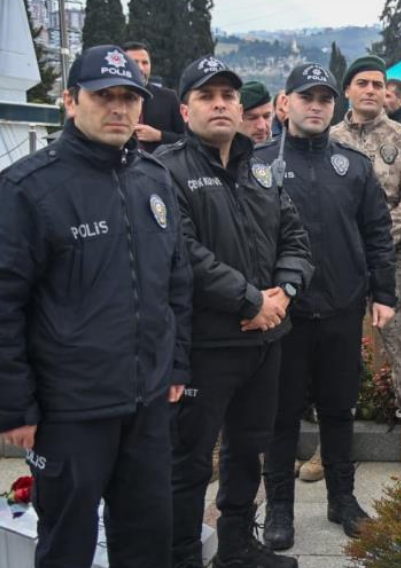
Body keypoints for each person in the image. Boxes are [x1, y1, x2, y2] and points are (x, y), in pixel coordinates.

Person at [0, 45, 191, 568]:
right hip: (69, 410)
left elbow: (176, 283)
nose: (119, 108)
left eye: (129, 98)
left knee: (148, 537)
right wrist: (11, 406)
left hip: (146, 404)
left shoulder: (155, 180)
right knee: (68, 544)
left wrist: (177, 364)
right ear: (71, 101)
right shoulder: (28, 188)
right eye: (104, 96)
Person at [155, 55, 313, 568]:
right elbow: (182, 251)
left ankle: (238, 545)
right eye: (207, 96)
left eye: (228, 95)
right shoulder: (165, 171)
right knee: (191, 460)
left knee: (250, 448)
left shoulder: (261, 167)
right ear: (185, 110)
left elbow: (295, 238)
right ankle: (182, 555)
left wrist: (283, 294)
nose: (221, 104)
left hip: (265, 341)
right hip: (207, 344)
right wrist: (252, 301)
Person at [258, 62, 397, 551]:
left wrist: (384, 294)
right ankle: (278, 508)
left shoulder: (353, 165)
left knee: (340, 410)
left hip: (340, 308)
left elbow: (377, 234)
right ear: (286, 103)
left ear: (333, 106)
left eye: (323, 98)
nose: (315, 106)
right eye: (305, 97)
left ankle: (343, 499)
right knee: (280, 415)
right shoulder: (257, 165)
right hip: (282, 316)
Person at [331, 55, 401, 476]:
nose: (371, 90)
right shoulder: (328, 137)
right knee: (336, 355)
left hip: (394, 264)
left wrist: (370, 243)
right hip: (339, 268)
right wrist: (349, 246)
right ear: (348, 91)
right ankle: (332, 439)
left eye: (378, 83)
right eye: (362, 83)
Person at [123, 41, 185, 153]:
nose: (141, 68)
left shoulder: (168, 98)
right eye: (134, 62)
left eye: (145, 63)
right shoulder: (112, 99)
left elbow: (187, 139)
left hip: (161, 166)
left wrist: (160, 135)